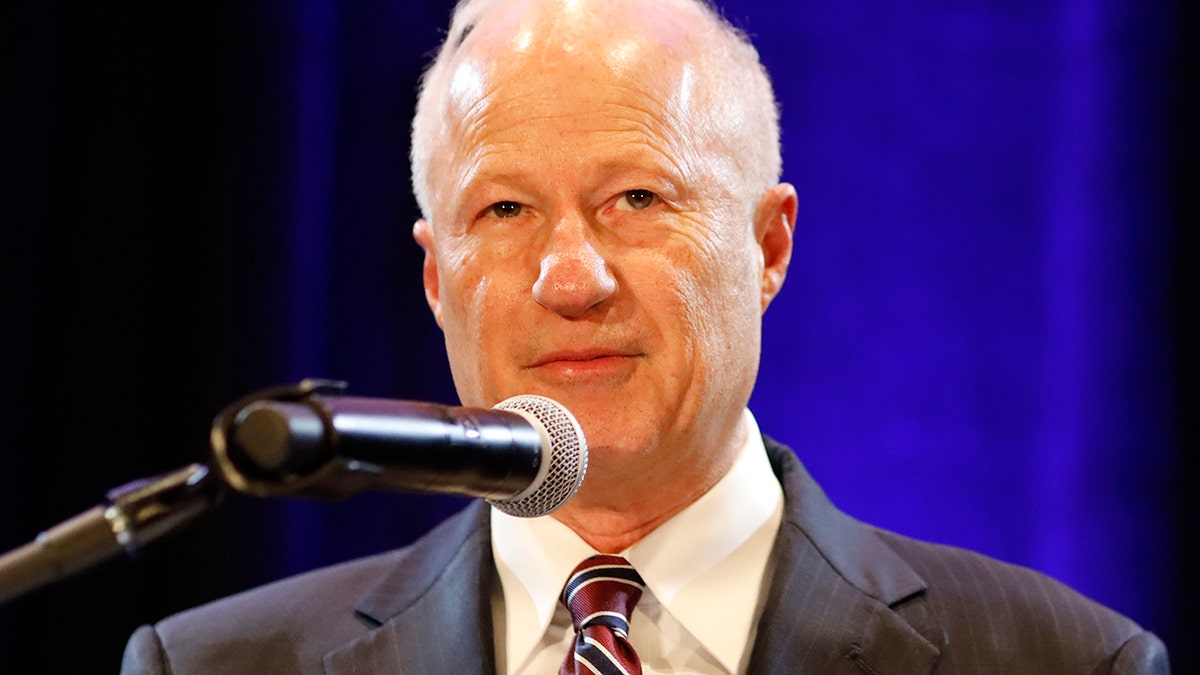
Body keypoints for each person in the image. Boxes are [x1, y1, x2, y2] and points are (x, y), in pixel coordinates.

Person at [120, 0, 1171, 672]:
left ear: (768, 247)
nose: (569, 278)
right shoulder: (220, 665)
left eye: (634, 197)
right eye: (504, 212)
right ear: (437, 279)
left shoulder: (1059, 661)